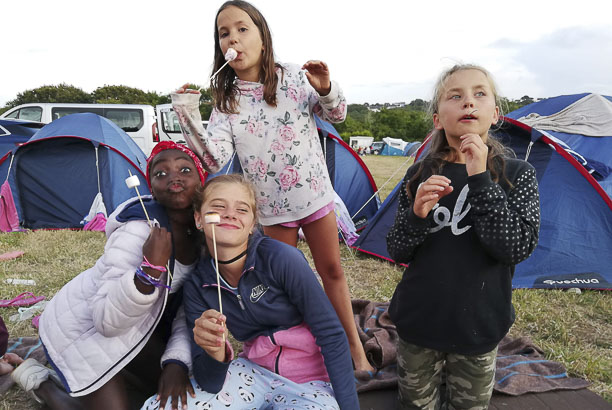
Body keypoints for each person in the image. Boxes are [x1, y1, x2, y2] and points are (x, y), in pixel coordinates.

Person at [171, 0, 373, 372]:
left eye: (242, 29)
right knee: (287, 288)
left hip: (314, 198)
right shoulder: (226, 101)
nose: (233, 38)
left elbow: (338, 114)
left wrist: (326, 87)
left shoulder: (294, 77)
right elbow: (214, 160)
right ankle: (301, 357)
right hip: (272, 212)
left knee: (332, 273)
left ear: (263, 38)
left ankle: (355, 353)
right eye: (224, 33)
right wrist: (186, 112)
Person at [386, 64, 540, 409]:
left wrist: (480, 178)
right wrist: (417, 215)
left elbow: (515, 247)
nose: (468, 102)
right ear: (438, 118)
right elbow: (397, 249)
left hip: (479, 325)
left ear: (495, 114)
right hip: (419, 322)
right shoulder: (420, 174)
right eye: (455, 96)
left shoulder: (518, 174)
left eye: (479, 94)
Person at [12, 141, 205, 410]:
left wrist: (176, 362)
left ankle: (112, 376)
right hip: (83, 327)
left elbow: (188, 313)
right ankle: (40, 381)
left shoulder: (205, 240)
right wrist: (150, 268)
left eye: (185, 170)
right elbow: (107, 322)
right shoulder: (137, 231)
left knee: (171, 396)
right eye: (161, 173)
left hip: (136, 328)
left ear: (201, 180)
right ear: (150, 187)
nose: (173, 176)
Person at [141, 174, 358, 409]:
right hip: (253, 373)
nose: (230, 214)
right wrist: (215, 352)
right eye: (218, 207)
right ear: (199, 219)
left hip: (311, 382)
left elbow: (331, 334)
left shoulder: (282, 258)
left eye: (242, 210)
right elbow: (210, 383)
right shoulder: (198, 286)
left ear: (253, 224)